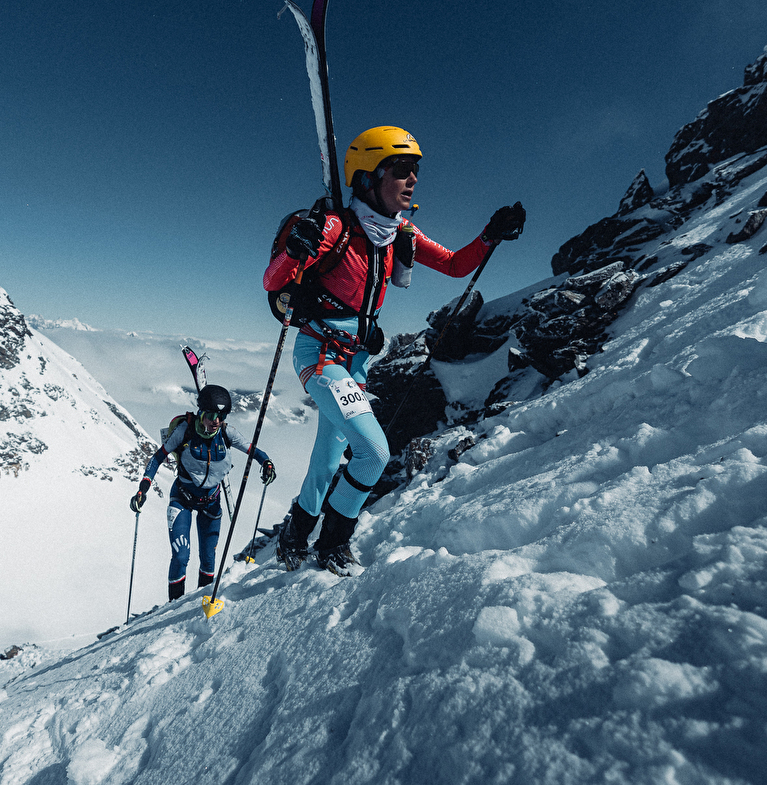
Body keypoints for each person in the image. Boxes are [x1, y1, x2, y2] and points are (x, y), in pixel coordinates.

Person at [263, 125, 524, 574]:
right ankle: (332, 545)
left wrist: (489, 235)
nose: (413, 179)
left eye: (415, 171)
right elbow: (273, 281)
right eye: (402, 169)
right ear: (367, 176)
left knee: (328, 459)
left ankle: (294, 536)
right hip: (321, 355)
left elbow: (456, 265)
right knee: (373, 452)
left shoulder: (399, 234)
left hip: (355, 362)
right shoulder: (332, 228)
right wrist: (294, 251)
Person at [131, 385, 277, 600]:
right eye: (211, 415)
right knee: (181, 557)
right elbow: (157, 458)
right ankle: (173, 606)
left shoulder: (227, 434)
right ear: (201, 413)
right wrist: (143, 488)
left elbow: (253, 450)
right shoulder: (185, 431)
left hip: (211, 502)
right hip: (182, 499)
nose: (216, 420)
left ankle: (199, 602)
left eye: (221, 415)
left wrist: (266, 462)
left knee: (208, 559)